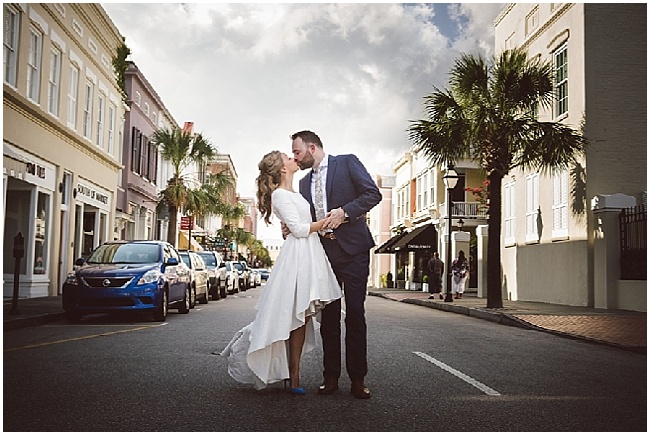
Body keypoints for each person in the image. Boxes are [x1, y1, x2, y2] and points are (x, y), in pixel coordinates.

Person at [220, 151, 342, 395]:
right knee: (290, 313)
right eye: (289, 157)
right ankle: (291, 373)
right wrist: (329, 221)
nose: (293, 158)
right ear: (282, 168)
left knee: (302, 315)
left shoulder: (295, 193)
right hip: (297, 256)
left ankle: (293, 372)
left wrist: (321, 228)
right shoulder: (279, 195)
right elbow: (297, 230)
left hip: (311, 253)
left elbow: (300, 225)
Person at [290, 130, 382, 399]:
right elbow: (307, 218)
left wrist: (346, 212)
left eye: (297, 152)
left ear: (312, 147)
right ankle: (330, 377)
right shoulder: (304, 183)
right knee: (328, 318)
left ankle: (358, 379)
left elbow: (372, 194)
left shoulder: (347, 162)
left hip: (354, 251)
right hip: (323, 254)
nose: (295, 157)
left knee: (355, 313)